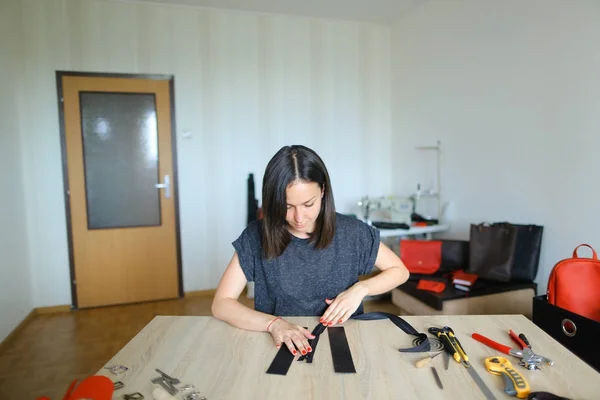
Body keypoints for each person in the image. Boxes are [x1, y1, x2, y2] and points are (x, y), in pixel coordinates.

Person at [211, 145, 410, 357]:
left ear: (323, 191)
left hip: (343, 341)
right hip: (278, 344)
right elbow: (222, 304)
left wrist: (361, 289)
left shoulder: (352, 232)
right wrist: (273, 324)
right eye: (287, 206)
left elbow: (400, 271)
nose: (299, 218)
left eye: (308, 204)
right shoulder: (255, 237)